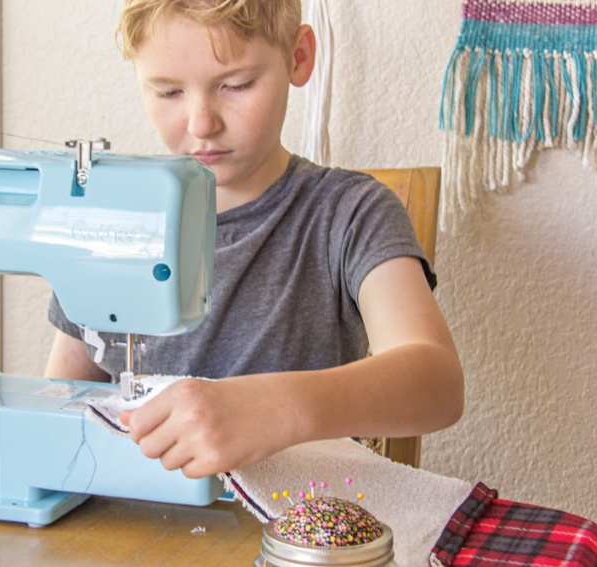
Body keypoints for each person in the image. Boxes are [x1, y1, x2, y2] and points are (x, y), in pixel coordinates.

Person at [45, 0, 463, 479]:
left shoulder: (348, 214)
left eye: (235, 85)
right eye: (168, 92)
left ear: (298, 57)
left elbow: (438, 384)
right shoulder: (111, 222)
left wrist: (275, 407)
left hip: (287, 527)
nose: (202, 124)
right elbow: (61, 406)